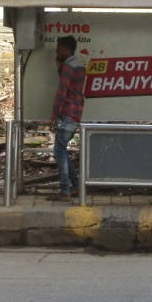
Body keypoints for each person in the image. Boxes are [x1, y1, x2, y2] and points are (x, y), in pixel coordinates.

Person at [48, 35, 86, 201]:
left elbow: (62, 93)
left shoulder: (68, 67)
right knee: (62, 149)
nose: (57, 50)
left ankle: (65, 191)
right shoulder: (79, 66)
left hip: (67, 113)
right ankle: (76, 187)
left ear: (66, 49)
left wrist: (53, 115)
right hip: (76, 112)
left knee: (59, 150)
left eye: (59, 48)